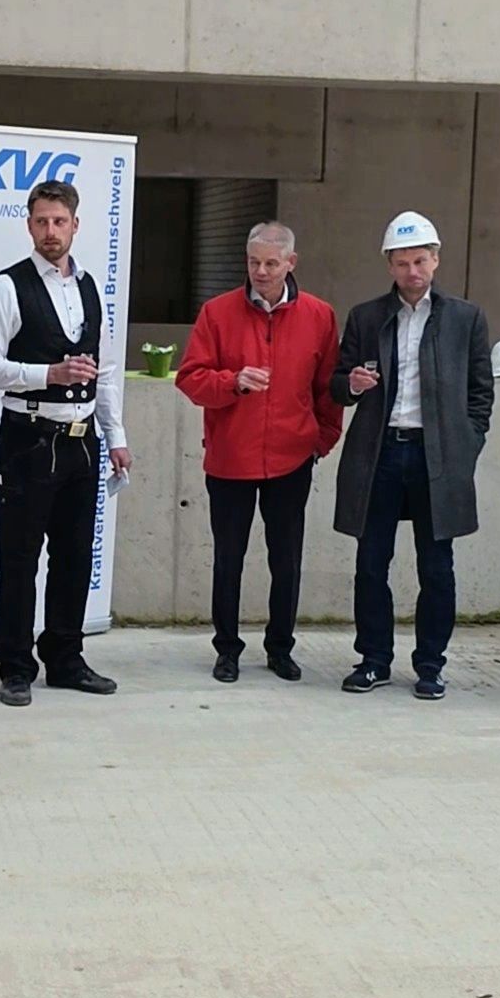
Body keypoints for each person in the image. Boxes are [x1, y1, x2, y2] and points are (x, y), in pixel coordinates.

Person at [0, 179, 132, 706]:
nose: (50, 231)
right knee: (19, 558)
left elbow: (105, 370)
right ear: (29, 224)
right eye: (41, 221)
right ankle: (15, 665)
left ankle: (65, 658)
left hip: (83, 441)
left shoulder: (89, 287)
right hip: (28, 438)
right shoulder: (7, 286)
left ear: (76, 225)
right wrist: (47, 374)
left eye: (59, 221)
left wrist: (116, 436)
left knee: (74, 556)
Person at [332, 211, 493, 700]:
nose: (412, 272)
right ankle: (373, 660)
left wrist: (467, 444)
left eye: (420, 261)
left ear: (436, 260)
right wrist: (352, 384)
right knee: (370, 563)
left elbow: (480, 392)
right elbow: (336, 384)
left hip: (436, 456)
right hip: (379, 452)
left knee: (437, 567)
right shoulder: (366, 316)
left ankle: (430, 665)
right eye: (402, 263)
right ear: (390, 266)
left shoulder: (465, 318)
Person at [175, 222, 342, 682]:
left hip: (292, 458)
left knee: (286, 560)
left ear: (291, 262)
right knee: (228, 558)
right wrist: (233, 382)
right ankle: (226, 649)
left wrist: (321, 440)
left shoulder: (319, 316)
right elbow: (190, 379)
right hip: (231, 459)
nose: (261, 272)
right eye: (253, 262)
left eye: (271, 263)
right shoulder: (216, 313)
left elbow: (327, 387)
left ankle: (280, 648)